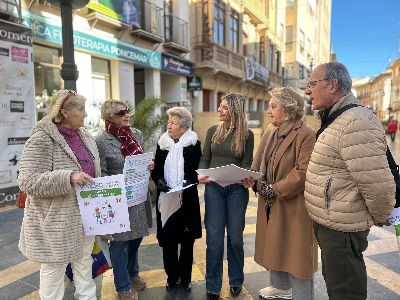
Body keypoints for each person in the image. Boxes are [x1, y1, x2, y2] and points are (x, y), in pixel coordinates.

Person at [304, 62, 395, 300]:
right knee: (338, 283)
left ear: (333, 85)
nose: (307, 90)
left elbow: (377, 182)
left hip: (342, 226)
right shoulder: (336, 118)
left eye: (312, 84)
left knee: (345, 290)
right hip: (333, 220)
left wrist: (381, 213)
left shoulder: (356, 120)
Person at [18, 90, 100, 300]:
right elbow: (27, 181)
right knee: (54, 271)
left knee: (84, 264)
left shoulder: (86, 137)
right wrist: (68, 177)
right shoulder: (42, 139)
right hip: (56, 221)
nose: (85, 114)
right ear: (64, 111)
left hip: (86, 215)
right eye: (80, 109)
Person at [242, 87, 318, 299]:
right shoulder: (270, 130)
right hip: (271, 201)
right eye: (269, 106)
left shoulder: (306, 134)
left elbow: (303, 173)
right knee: (275, 244)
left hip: (295, 204)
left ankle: (303, 296)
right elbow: (259, 163)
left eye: (273, 106)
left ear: (289, 109)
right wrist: (253, 180)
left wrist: (274, 189)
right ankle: (280, 287)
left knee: (298, 253)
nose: (268, 111)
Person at [95, 100, 153, 300]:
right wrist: (115, 183)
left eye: (128, 111)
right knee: (119, 243)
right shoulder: (101, 140)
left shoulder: (136, 134)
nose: (127, 115)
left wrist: (148, 166)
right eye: (121, 113)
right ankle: (123, 285)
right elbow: (100, 171)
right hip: (116, 199)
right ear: (109, 117)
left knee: (136, 238)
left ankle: (133, 272)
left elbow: (142, 159)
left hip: (137, 195)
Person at [198, 93, 254, 300]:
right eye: (220, 107)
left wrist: (247, 177)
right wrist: (202, 174)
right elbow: (205, 157)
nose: (219, 110)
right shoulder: (213, 131)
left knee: (236, 239)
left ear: (235, 111)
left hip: (237, 190)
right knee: (213, 239)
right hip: (213, 189)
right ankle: (212, 285)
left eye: (224, 108)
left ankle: (236, 280)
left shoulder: (247, 135)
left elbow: (247, 163)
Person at [151, 107, 202, 291]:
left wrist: (190, 180)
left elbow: (198, 170)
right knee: (168, 241)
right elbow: (155, 170)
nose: (169, 126)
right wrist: (159, 182)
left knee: (187, 242)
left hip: (186, 198)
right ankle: (172, 277)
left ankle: (186, 278)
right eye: (168, 122)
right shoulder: (162, 143)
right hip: (166, 198)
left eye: (173, 123)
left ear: (184, 126)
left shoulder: (193, 143)